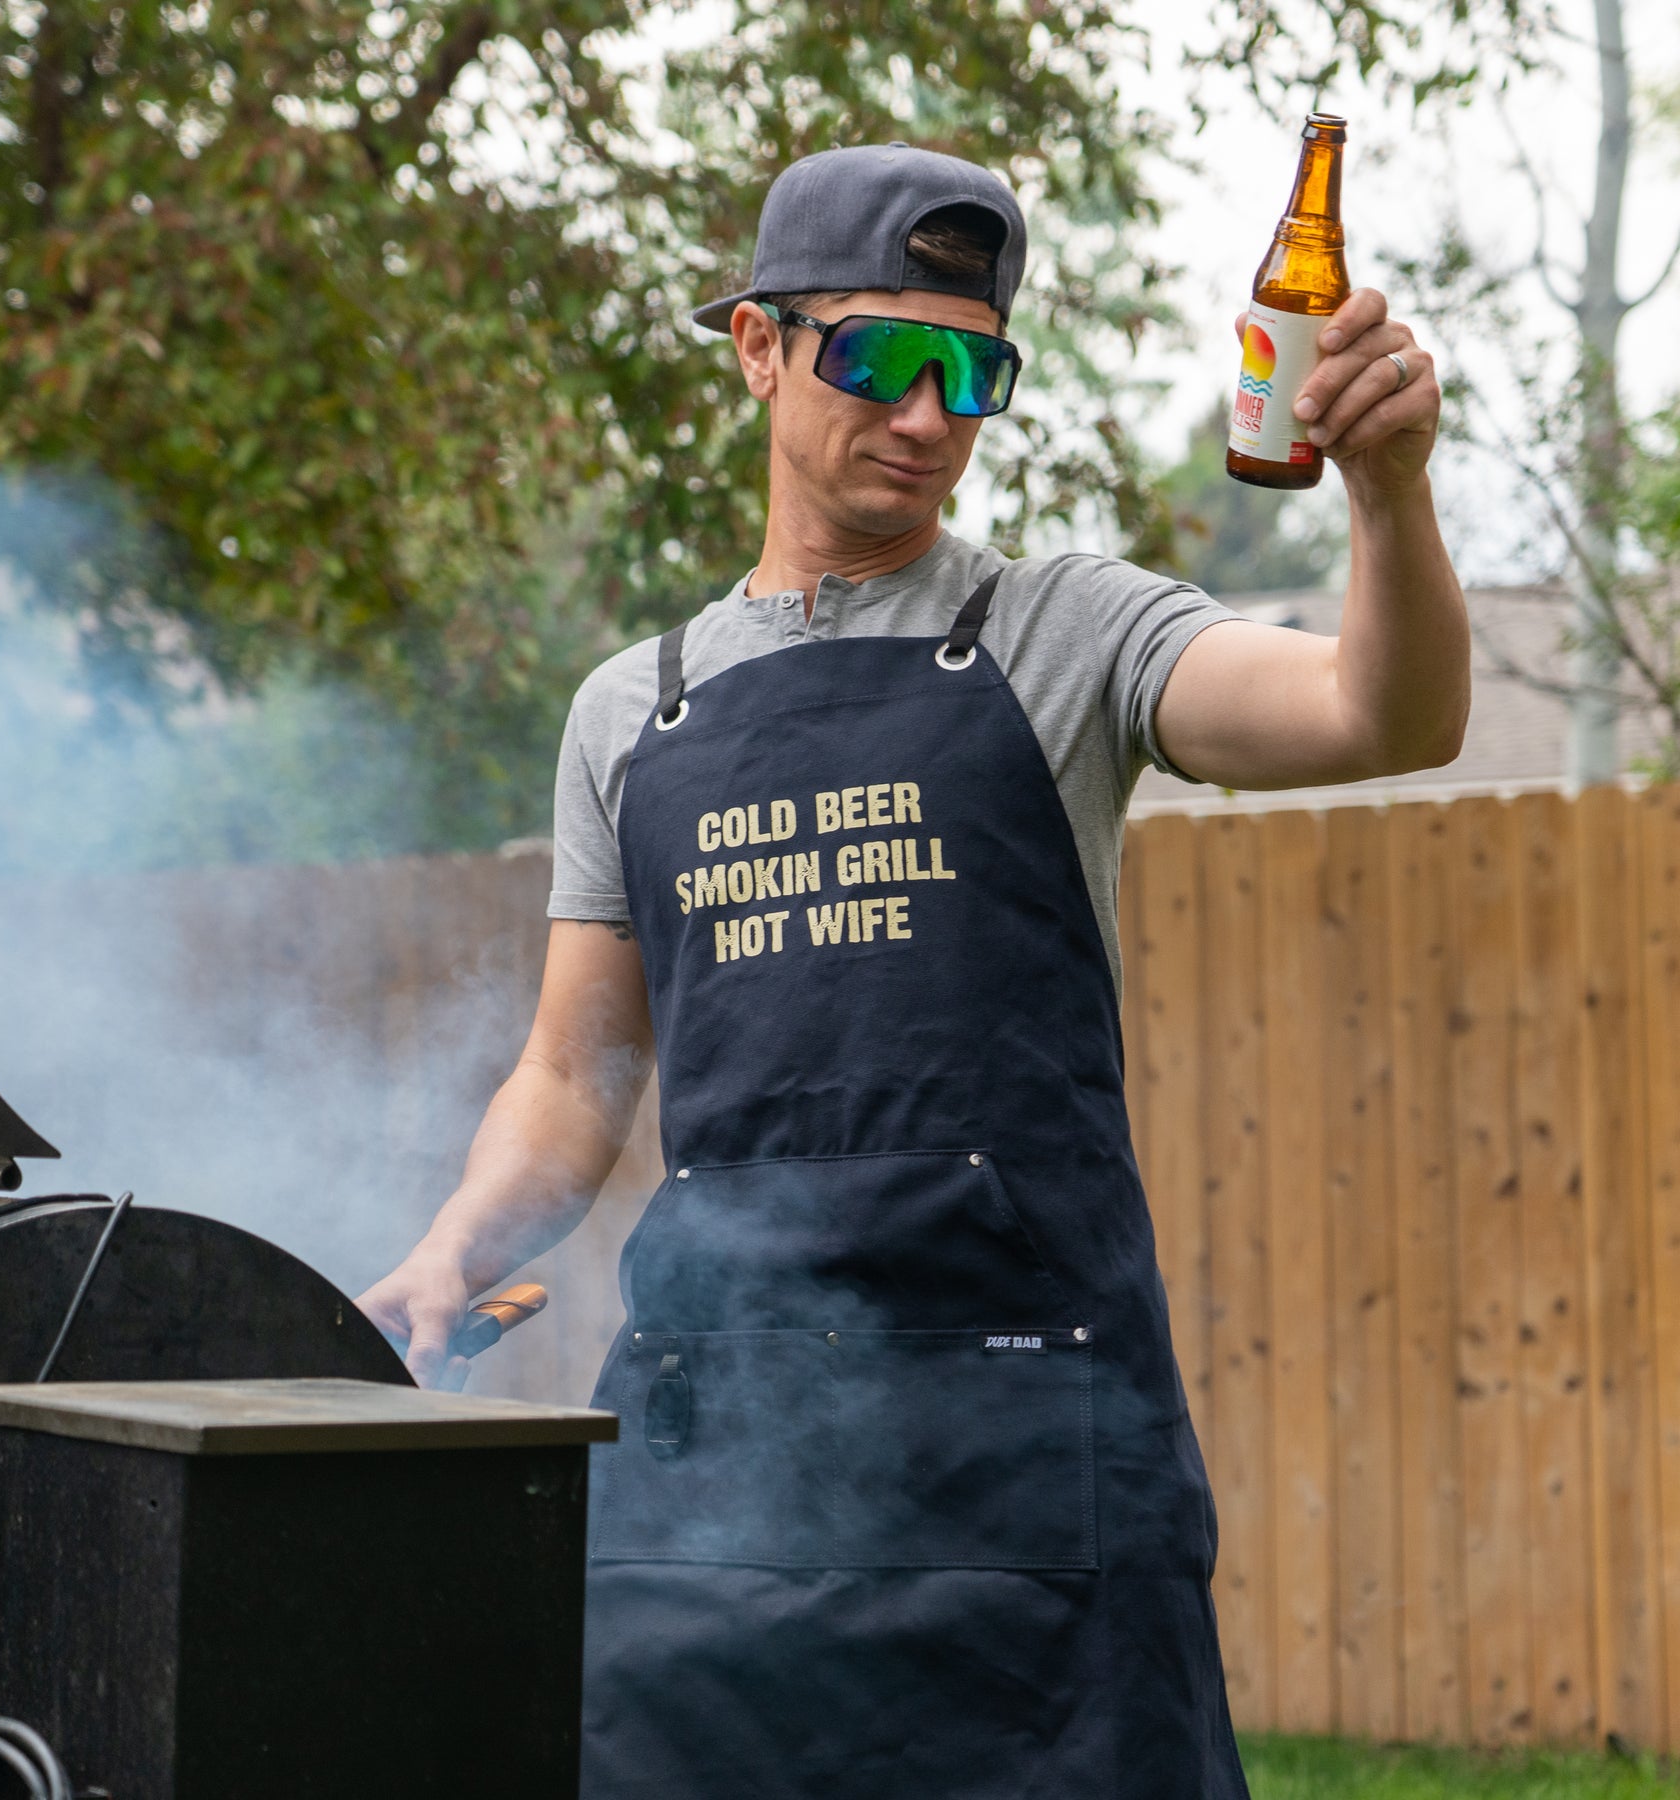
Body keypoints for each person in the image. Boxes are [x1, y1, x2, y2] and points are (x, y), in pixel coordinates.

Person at [359, 142, 1468, 1799]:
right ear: (757, 345)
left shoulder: (1068, 634)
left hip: (1026, 1476)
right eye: (882, 356)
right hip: (717, 1464)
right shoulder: (630, 711)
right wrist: (456, 1248)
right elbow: (577, 1075)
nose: (930, 414)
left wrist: (1385, 487)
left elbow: (1380, 715)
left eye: (974, 370)